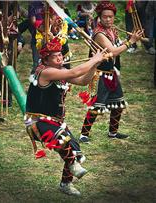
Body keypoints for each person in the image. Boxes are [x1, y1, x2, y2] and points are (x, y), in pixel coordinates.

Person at [25, 38, 105, 195]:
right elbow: (74, 72)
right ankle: (73, 165)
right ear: (46, 59)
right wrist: (94, 58)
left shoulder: (59, 72)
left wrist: (94, 65)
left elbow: (82, 80)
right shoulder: (45, 72)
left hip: (56, 122)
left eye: (61, 55)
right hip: (38, 120)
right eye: (55, 56)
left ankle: (65, 184)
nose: (60, 58)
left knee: (73, 148)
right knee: (64, 142)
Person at [79, 1, 143, 144]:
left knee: (118, 103)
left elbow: (117, 46)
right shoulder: (99, 33)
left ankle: (113, 132)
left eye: (111, 17)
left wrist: (130, 38)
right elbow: (113, 52)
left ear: (114, 17)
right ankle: (84, 134)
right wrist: (131, 41)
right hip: (99, 74)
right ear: (99, 17)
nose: (108, 19)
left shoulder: (112, 30)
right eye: (105, 17)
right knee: (96, 106)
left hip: (110, 72)